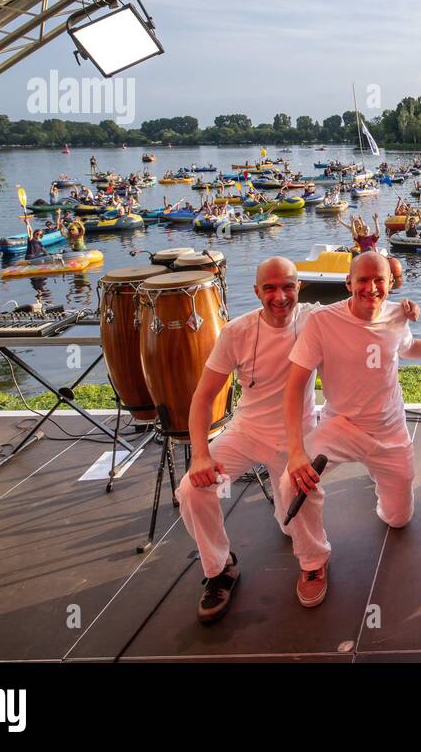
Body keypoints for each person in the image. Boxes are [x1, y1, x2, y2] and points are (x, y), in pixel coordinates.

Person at [280, 252, 421, 608]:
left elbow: (407, 348)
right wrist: (296, 451)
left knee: (399, 520)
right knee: (290, 481)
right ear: (348, 283)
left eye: (380, 281)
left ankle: (379, 480)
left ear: (391, 285)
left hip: (390, 432)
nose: (371, 288)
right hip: (340, 426)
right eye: (363, 280)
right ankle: (313, 561)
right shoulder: (321, 322)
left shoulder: (396, 314)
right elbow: (295, 386)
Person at [174, 258, 325, 623]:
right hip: (246, 431)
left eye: (288, 286)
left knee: (296, 486)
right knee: (192, 490)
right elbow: (202, 397)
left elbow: (364, 302)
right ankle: (220, 567)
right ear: (256, 291)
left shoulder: (316, 320)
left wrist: (402, 307)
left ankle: (314, 562)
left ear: (299, 287)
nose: (280, 296)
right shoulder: (236, 332)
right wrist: (200, 456)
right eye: (270, 288)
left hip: (298, 433)